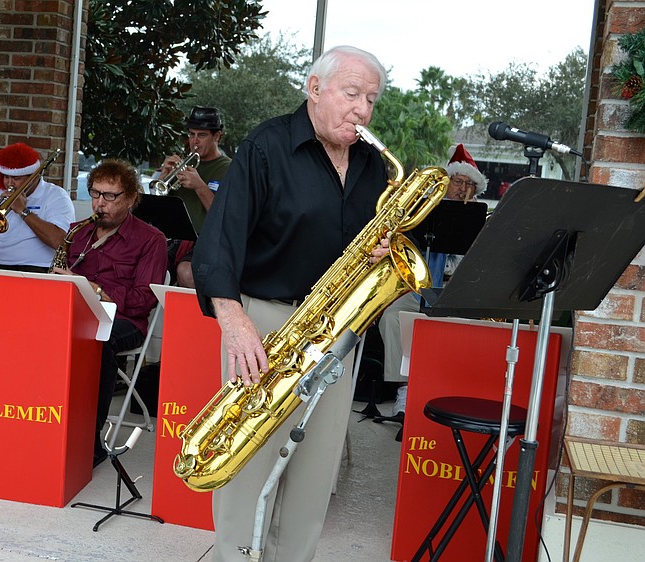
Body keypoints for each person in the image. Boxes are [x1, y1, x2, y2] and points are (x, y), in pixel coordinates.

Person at [191, 45, 389, 561]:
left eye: (371, 98)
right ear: (315, 88)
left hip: (339, 329)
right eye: (352, 94)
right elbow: (222, 237)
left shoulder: (372, 165)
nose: (363, 110)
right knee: (248, 456)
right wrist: (232, 320)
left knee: (315, 468)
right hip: (266, 322)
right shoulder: (266, 145)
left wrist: (380, 250)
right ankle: (238, 555)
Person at [53, 158, 167, 467]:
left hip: (123, 319)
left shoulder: (151, 240)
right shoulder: (77, 231)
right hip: (73, 313)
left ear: (131, 199)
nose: (99, 203)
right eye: (95, 194)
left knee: (96, 340)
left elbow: (144, 301)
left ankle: (89, 443)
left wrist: (95, 288)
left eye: (110, 196)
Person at [377, 143, 488, 427]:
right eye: (457, 181)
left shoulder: (481, 221)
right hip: (420, 289)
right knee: (391, 318)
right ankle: (403, 391)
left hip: (457, 294)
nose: (462, 188)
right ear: (446, 182)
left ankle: (446, 393)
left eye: (469, 184)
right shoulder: (424, 212)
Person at [158, 106, 232, 287]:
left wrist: (200, 186)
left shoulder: (229, 168)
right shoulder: (183, 165)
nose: (194, 141)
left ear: (217, 136)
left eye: (202, 135)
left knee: (187, 272)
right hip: (174, 239)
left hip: (206, 240)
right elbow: (162, 209)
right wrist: (164, 177)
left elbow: (225, 217)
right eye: (191, 134)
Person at [0, 142, 75, 272]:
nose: (10, 183)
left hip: (38, 268)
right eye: (6, 177)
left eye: (16, 178)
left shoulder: (56, 196)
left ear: (34, 177)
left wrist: (23, 211)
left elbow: (60, 242)